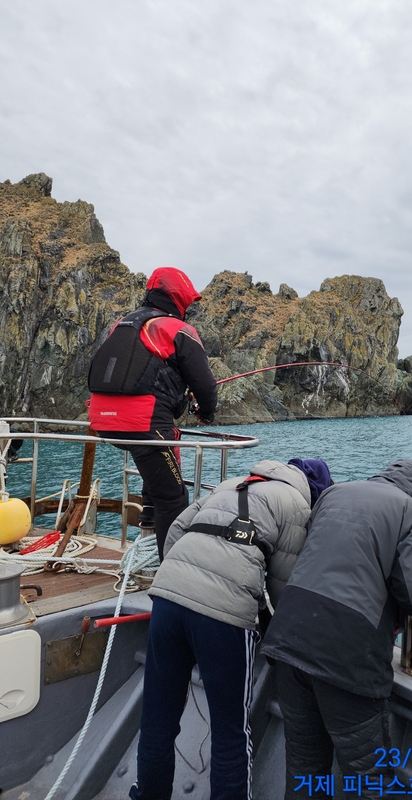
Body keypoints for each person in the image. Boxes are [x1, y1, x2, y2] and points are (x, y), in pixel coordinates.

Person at [129, 457, 332, 800]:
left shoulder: (231, 484)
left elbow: (176, 529)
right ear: (314, 492)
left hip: (167, 598)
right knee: (230, 732)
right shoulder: (297, 505)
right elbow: (284, 585)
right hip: (224, 614)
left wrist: (182, 579)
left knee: (157, 720)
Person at [261, 458, 412, 797]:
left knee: (304, 766)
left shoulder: (334, 493)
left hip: (287, 637)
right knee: (368, 777)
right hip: (346, 655)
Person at [87, 266, 218, 559]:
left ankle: (148, 519)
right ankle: (169, 571)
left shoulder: (123, 324)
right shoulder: (177, 329)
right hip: (143, 424)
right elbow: (205, 385)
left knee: (156, 469)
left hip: (102, 420)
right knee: (173, 498)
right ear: (179, 298)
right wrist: (206, 413)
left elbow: (145, 374)